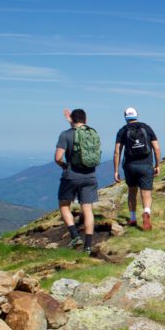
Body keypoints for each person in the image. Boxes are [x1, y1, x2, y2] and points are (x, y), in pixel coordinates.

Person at [55, 108, 101, 253]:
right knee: (87, 210)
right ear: (86, 120)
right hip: (90, 176)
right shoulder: (91, 133)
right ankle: (88, 246)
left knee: (64, 205)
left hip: (72, 176)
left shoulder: (65, 135)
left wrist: (65, 167)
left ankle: (75, 236)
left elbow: (58, 157)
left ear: (72, 120)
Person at [113, 106, 161, 231]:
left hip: (130, 166)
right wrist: (157, 165)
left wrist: (116, 170)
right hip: (145, 164)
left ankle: (133, 219)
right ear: (137, 115)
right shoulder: (146, 128)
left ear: (125, 117)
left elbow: (117, 151)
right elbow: (156, 148)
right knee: (146, 192)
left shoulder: (122, 130)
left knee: (132, 191)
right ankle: (146, 212)